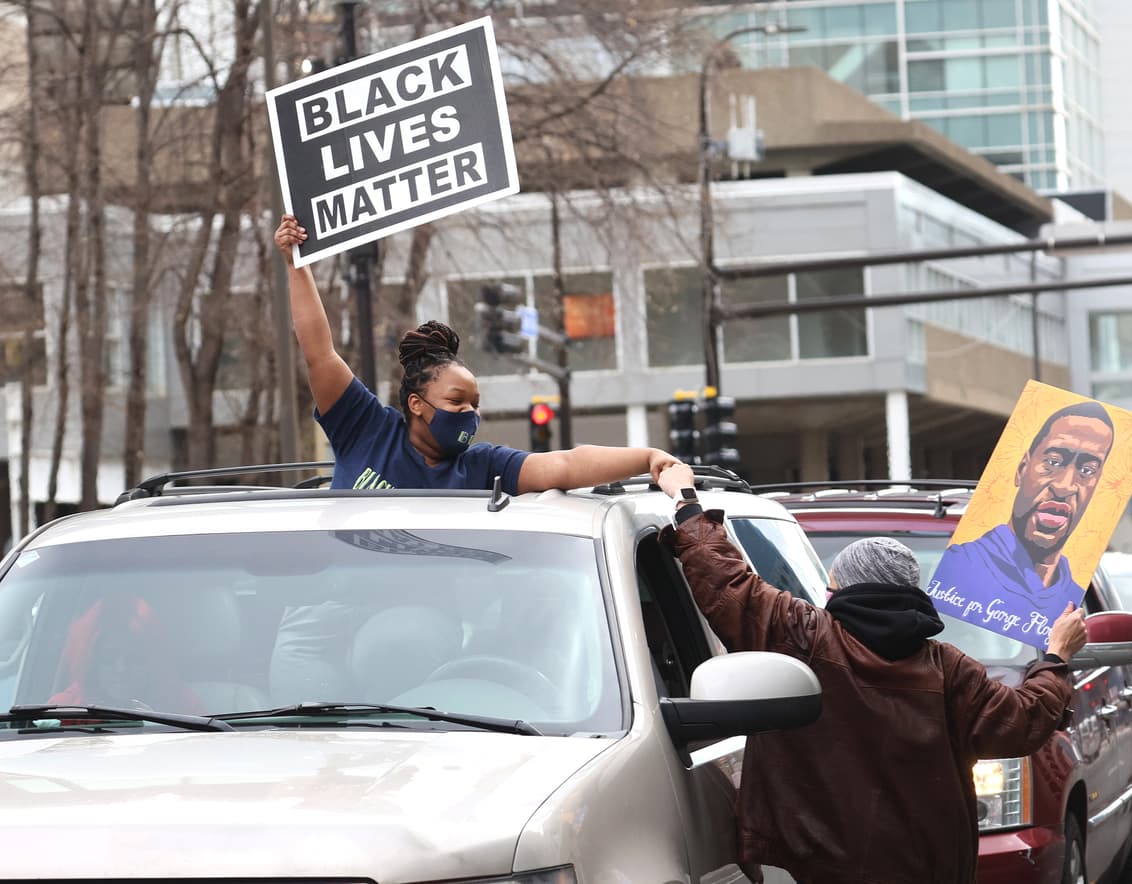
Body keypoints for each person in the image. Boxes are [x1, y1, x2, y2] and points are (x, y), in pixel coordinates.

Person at [656, 462, 1088, 884]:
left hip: (811, 866)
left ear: (839, 590)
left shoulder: (802, 634)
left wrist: (687, 501)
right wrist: (1056, 656)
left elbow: (725, 581)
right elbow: (1024, 720)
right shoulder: (950, 669)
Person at [274, 213, 678, 492]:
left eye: (474, 404)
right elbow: (320, 353)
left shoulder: (483, 468)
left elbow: (567, 465)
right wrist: (296, 264)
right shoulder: (365, 429)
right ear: (416, 403)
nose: (470, 413)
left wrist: (648, 458)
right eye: (456, 400)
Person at [932, 401, 1115, 628]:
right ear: (1022, 469)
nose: (1065, 486)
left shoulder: (1075, 596)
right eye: (1053, 462)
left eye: (1087, 470)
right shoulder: (959, 567)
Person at [49, 596, 204, 715]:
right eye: (108, 659)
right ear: (92, 665)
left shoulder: (180, 706)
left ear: (150, 661)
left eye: (133, 657)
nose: (121, 669)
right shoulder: (65, 708)